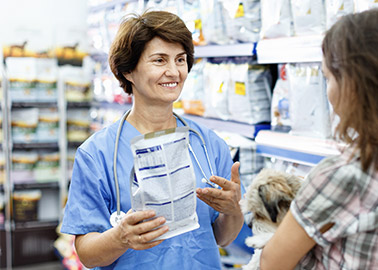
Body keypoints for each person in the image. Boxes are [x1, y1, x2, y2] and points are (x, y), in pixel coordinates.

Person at [260, 9, 378, 270]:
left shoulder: (342, 176)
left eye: (328, 78)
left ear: (352, 84)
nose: (328, 91)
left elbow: (272, 263)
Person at [61, 10, 244, 269]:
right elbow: (88, 256)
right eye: (159, 60)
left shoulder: (209, 144)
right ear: (128, 71)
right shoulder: (98, 154)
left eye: (180, 60)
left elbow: (224, 238)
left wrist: (232, 209)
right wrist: (120, 237)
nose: (174, 71)